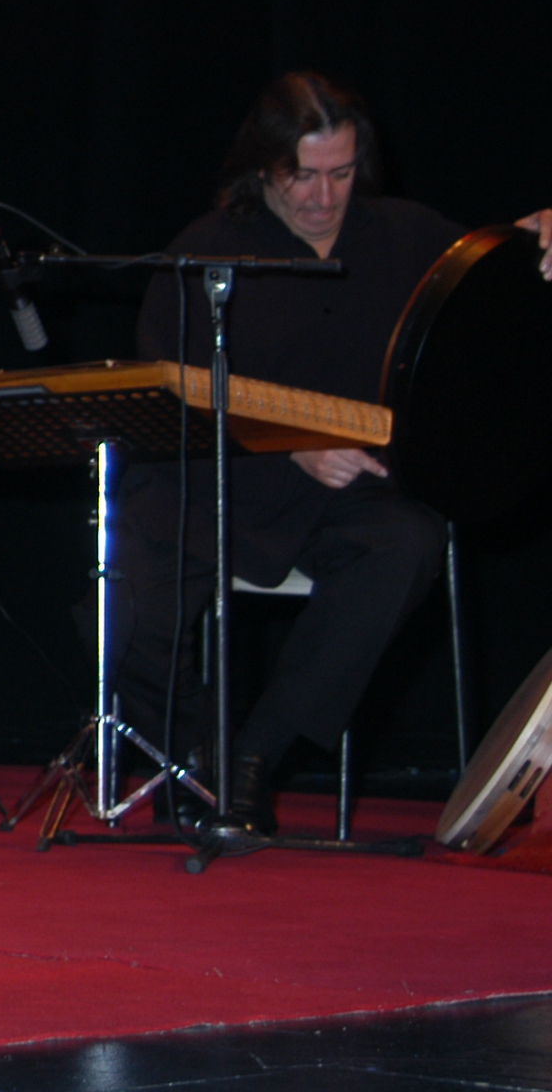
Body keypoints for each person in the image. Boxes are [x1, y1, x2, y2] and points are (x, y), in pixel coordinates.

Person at [114, 70, 551, 833]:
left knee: (408, 543)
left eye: (341, 174)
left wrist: (536, 242)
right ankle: (196, 760)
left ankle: (255, 757)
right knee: (117, 606)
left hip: (345, 498)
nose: (323, 197)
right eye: (302, 176)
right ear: (262, 168)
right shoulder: (207, 249)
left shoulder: (405, 234)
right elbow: (172, 394)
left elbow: (486, 290)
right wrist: (291, 449)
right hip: (226, 482)